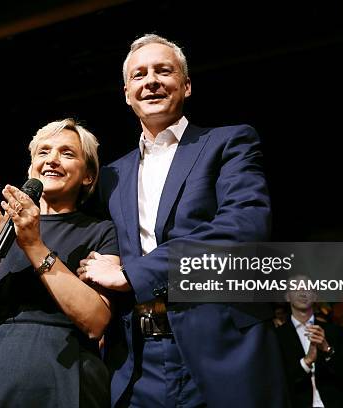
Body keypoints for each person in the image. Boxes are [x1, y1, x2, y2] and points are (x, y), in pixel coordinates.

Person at [77, 34, 287, 407]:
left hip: (221, 350)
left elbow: (244, 227)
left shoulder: (230, 142)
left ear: (186, 85)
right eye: (139, 75)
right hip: (136, 362)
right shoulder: (111, 175)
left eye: (163, 70)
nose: (151, 80)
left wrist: (134, 273)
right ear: (127, 93)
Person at [0, 119, 120, 408]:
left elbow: (96, 322)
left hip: (61, 372)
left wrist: (35, 246)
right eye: (43, 152)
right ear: (31, 167)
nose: (52, 159)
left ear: (88, 175)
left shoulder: (101, 231)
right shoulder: (5, 229)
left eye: (67, 153)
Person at [276, 276, 343, 407]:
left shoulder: (335, 331)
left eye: (307, 288)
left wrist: (328, 350)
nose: (303, 292)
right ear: (287, 296)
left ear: (315, 296)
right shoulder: (277, 336)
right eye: (297, 288)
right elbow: (277, 382)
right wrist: (306, 362)